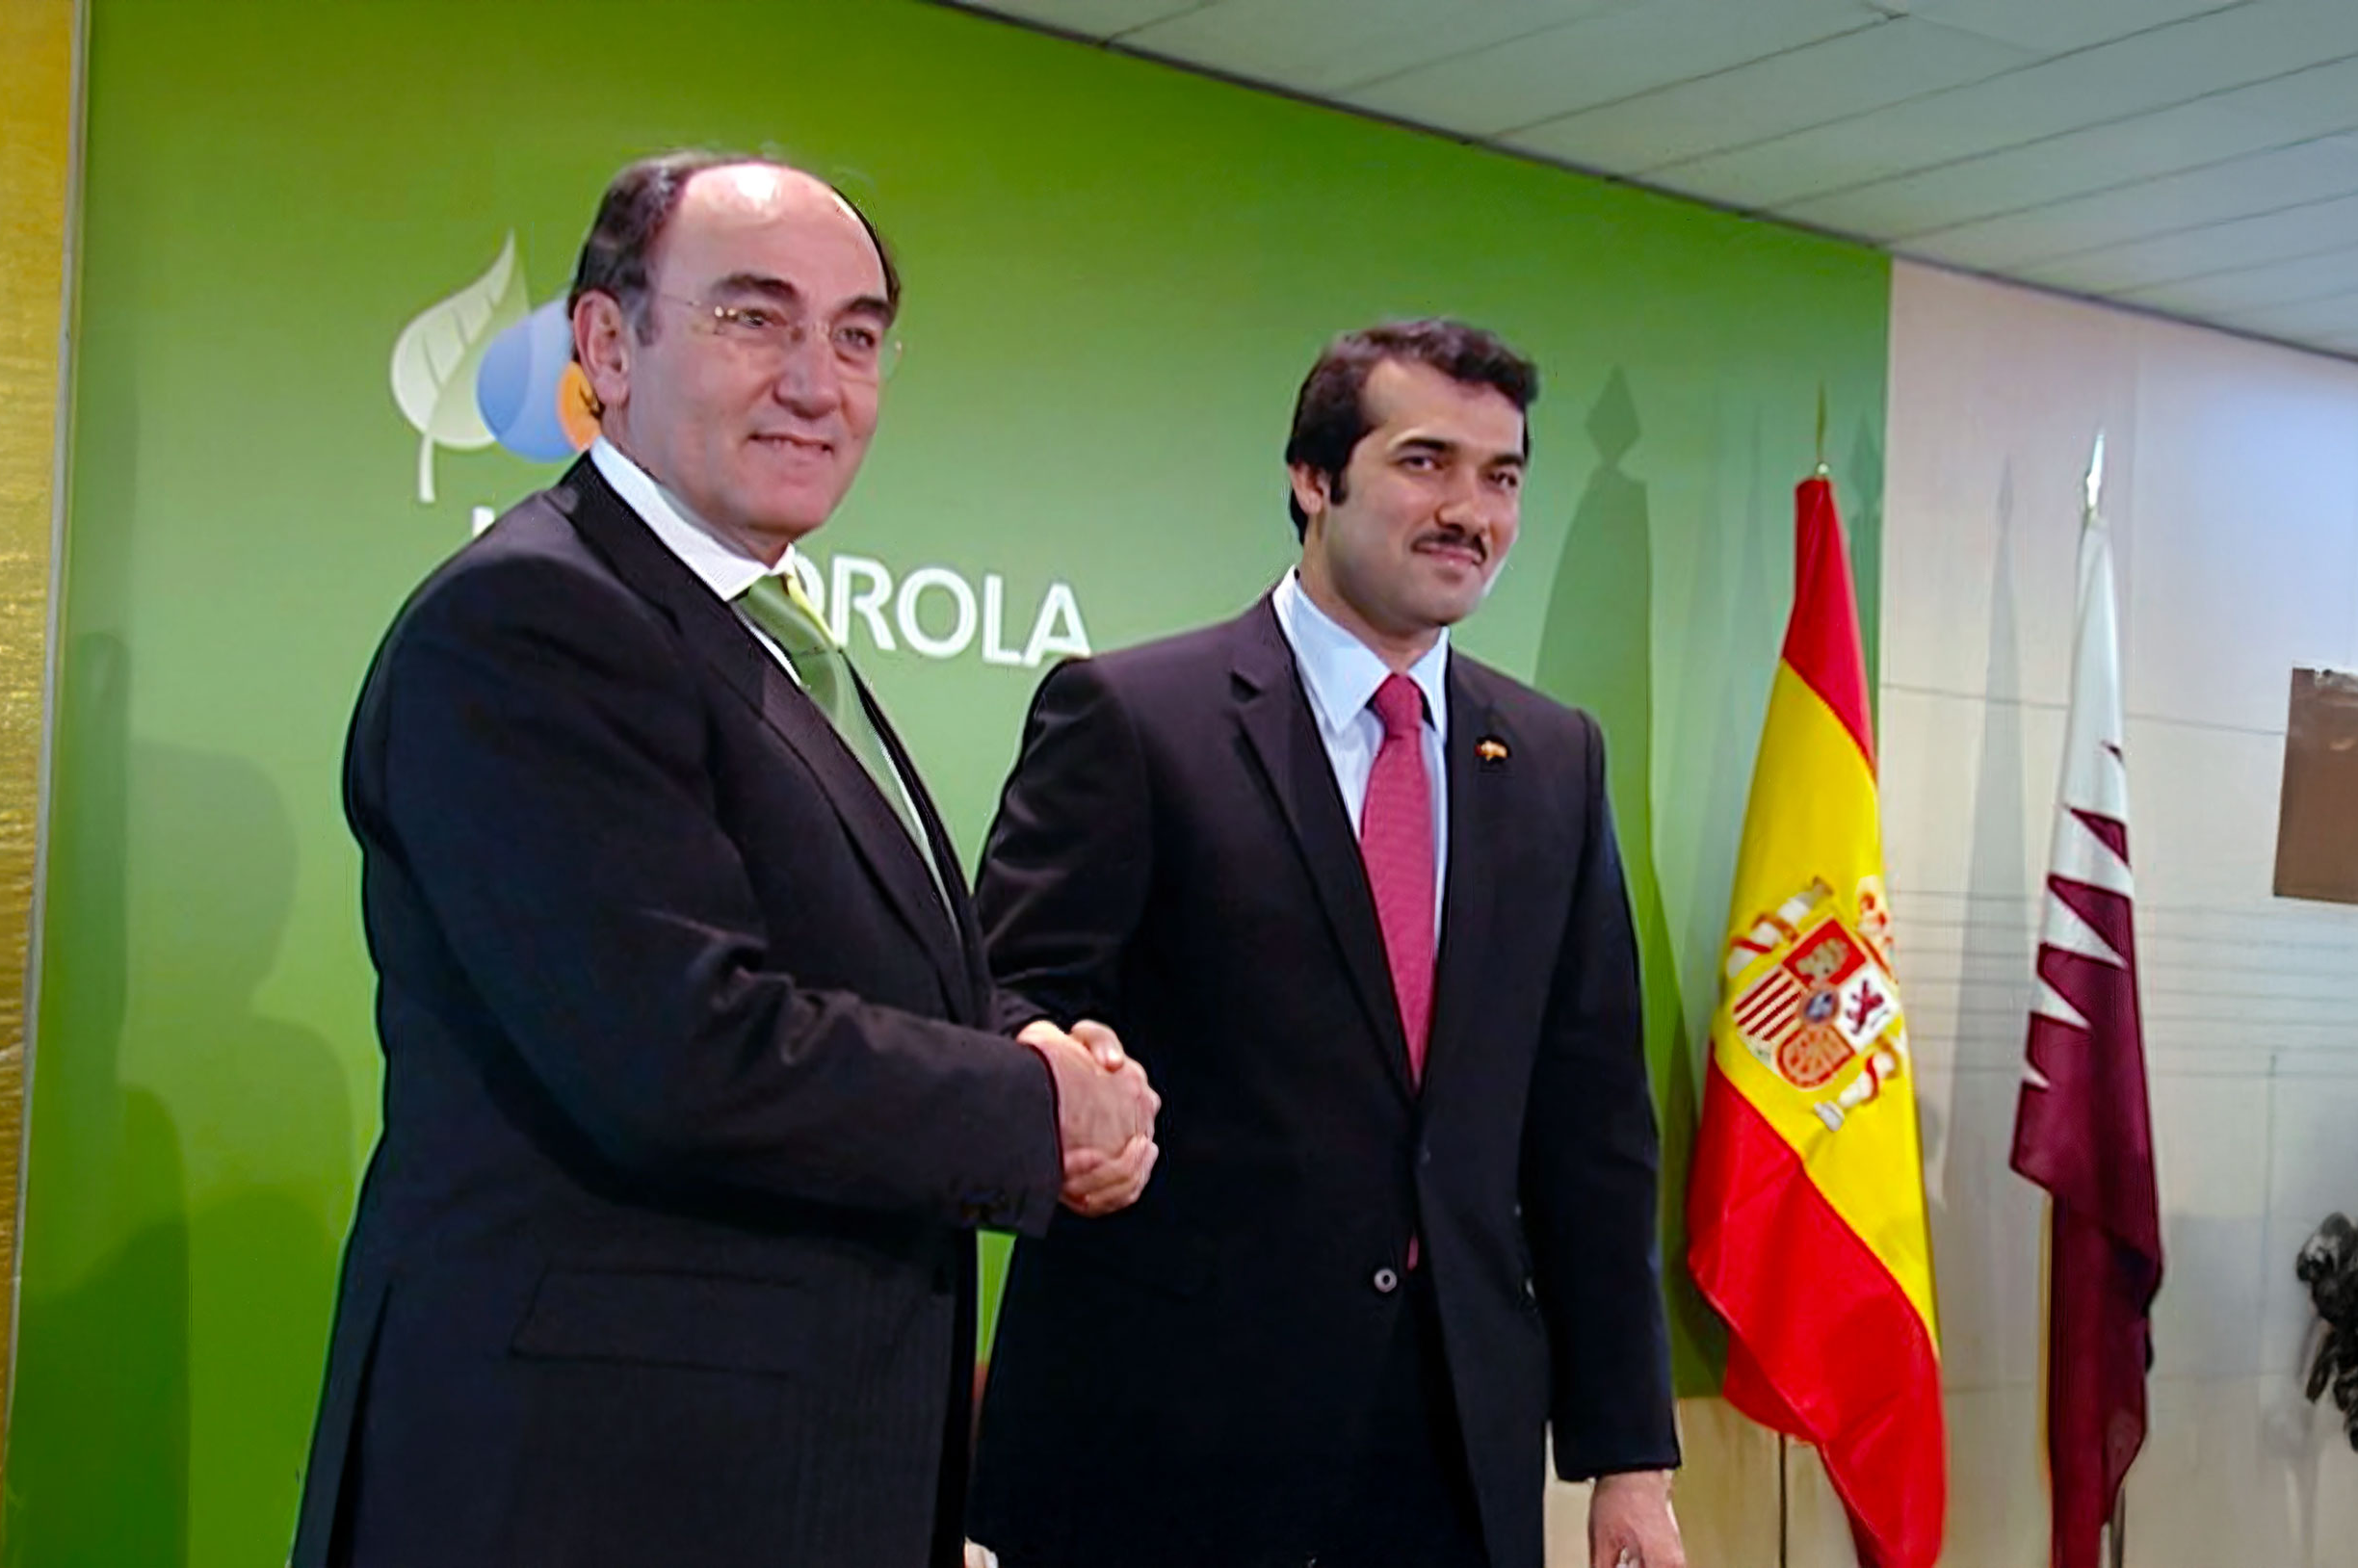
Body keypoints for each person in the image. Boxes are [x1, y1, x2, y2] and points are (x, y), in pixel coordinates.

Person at [291, 151, 1157, 1568]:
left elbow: (875, 971)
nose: (819, 382)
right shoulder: (530, 621)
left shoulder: (760, 628)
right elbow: (676, 1049)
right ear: (605, 346)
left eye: (858, 335)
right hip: (589, 1490)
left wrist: (1041, 1044)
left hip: (773, 1477)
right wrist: (1027, 1111)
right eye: (756, 319)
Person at [967, 320, 1685, 1568]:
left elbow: (1592, 1126)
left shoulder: (1555, 757)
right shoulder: (1136, 718)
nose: (1470, 509)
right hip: (1167, 1439)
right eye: (1425, 462)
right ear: (1314, 476)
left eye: (1503, 477)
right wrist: (1061, 1077)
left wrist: (1630, 1460)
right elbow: (1004, 992)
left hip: (1453, 1449)